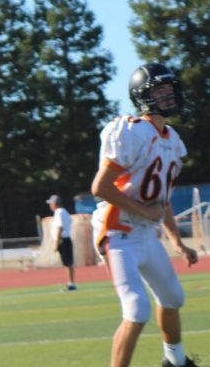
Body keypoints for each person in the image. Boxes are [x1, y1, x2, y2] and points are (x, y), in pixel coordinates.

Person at [91, 63, 199, 367]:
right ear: (143, 97)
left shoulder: (172, 140)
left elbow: (161, 199)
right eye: (159, 91)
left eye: (169, 90)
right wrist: (143, 210)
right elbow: (100, 187)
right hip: (116, 232)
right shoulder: (132, 131)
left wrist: (177, 241)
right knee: (137, 310)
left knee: (173, 298)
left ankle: (175, 361)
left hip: (145, 233)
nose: (168, 96)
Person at [45, 194, 76, 291]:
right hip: (65, 239)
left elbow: (60, 228)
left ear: (55, 204)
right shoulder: (63, 211)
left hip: (63, 240)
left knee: (67, 262)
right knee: (67, 262)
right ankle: (70, 282)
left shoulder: (59, 212)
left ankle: (71, 283)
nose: (50, 205)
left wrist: (56, 243)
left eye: (51, 203)